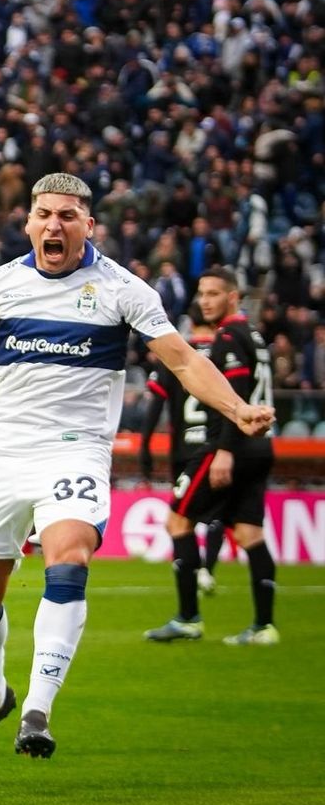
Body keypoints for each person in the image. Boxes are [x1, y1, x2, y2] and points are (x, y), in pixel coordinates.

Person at [0, 174, 274, 769]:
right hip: (3, 451)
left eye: (68, 215)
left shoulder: (122, 289)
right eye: (44, 214)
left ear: (88, 225)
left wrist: (237, 408)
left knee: (69, 558)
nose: (55, 224)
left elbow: (182, 360)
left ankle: (37, 710)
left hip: (76, 451)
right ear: (28, 223)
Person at [145, 268, 279, 646]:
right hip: (261, 447)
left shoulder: (228, 338)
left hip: (231, 444)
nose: (204, 301)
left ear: (233, 297)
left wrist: (223, 451)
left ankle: (188, 619)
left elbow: (235, 402)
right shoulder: (255, 336)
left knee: (178, 521)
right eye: (201, 293)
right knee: (250, 533)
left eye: (214, 294)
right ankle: (264, 626)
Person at [137, 304, 227, 596]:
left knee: (179, 520)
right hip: (216, 447)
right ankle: (207, 569)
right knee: (216, 513)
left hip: (183, 450)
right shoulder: (225, 352)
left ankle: (189, 603)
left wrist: (145, 445)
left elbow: (156, 404)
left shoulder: (176, 353)